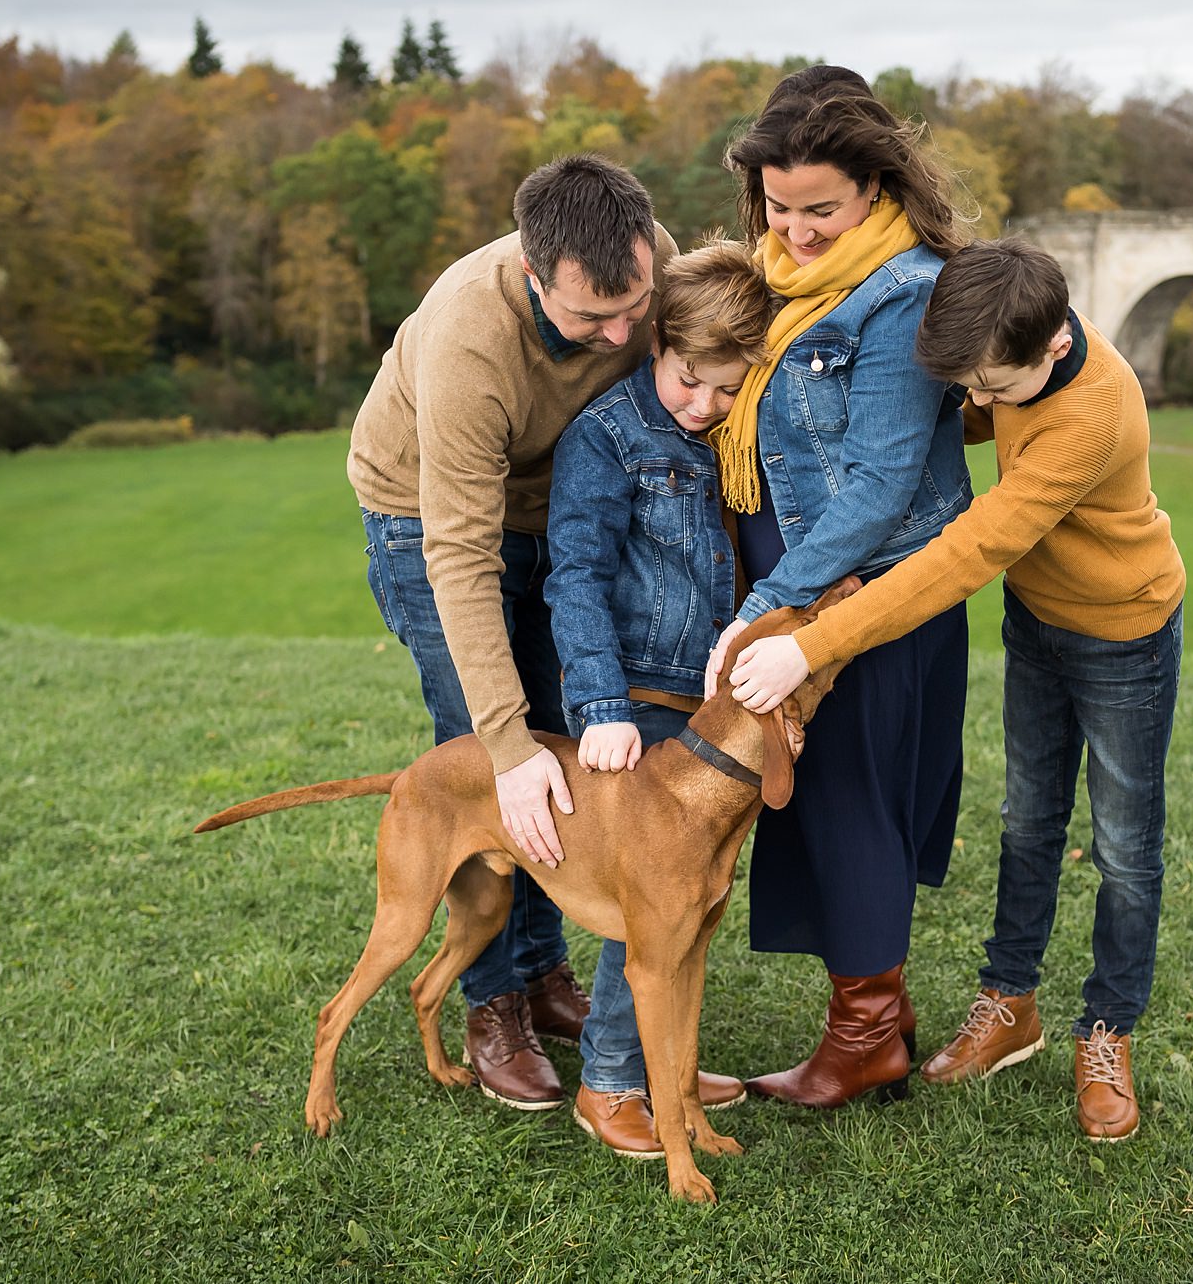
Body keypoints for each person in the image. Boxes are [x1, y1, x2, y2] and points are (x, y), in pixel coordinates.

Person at [726, 237, 1186, 1141]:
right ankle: (1010, 1003)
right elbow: (958, 416)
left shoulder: (1088, 412)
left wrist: (811, 642)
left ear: (1055, 346)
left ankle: (1107, 1032)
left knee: (1125, 844)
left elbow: (966, 553)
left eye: (989, 388)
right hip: (1039, 624)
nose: (975, 406)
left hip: (1124, 631)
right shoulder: (1005, 334)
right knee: (1026, 818)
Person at [350, 153, 675, 1111]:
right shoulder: (468, 344)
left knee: (560, 753)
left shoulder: (641, 259)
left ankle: (543, 976)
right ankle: (495, 1003)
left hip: (546, 506)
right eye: (592, 319)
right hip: (426, 518)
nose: (622, 333)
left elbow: (731, 292)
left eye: (635, 306)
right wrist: (501, 740)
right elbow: (459, 555)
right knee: (502, 763)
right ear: (536, 276)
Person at [704, 65, 974, 1108]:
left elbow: (875, 488)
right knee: (817, 793)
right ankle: (881, 1017)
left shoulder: (905, 291)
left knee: (851, 795)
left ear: (875, 186)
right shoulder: (773, 275)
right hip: (798, 582)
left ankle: (863, 1038)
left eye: (820, 208)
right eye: (778, 205)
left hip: (868, 590)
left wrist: (760, 607)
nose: (797, 229)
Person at [544, 239, 777, 1154]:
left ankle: (664, 1075)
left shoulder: (728, 432)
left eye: (728, 388)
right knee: (647, 900)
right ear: (656, 345)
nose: (705, 404)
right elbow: (576, 576)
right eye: (690, 380)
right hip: (630, 701)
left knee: (692, 899)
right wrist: (599, 706)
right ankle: (609, 1082)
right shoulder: (607, 438)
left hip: (700, 705)